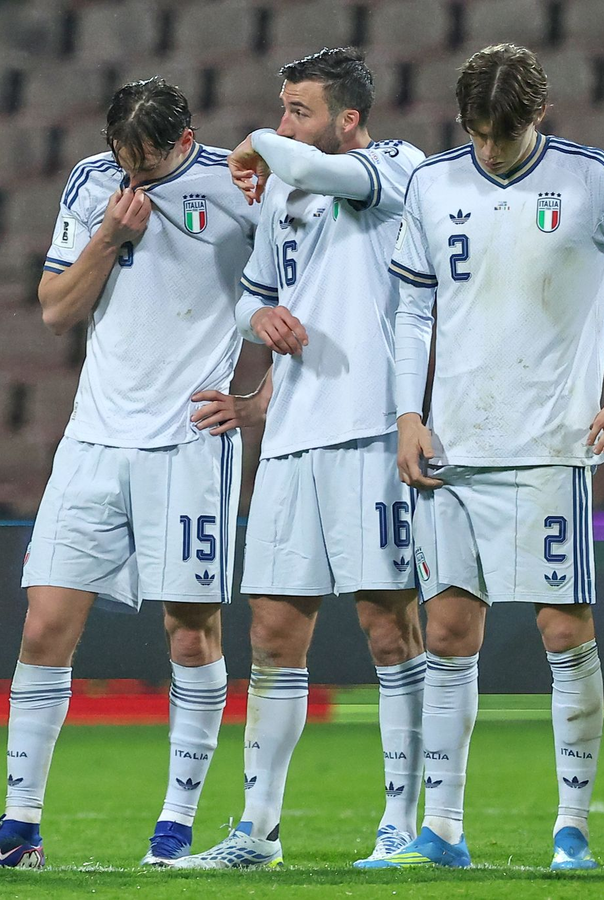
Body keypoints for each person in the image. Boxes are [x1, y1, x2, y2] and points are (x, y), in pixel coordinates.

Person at [366, 43, 604, 870]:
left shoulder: (590, 179)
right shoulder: (432, 184)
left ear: (539, 114)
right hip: (453, 448)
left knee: (563, 629)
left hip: (550, 448)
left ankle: (572, 829)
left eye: (505, 134)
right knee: (448, 630)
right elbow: (413, 307)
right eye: (477, 132)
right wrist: (407, 413)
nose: (489, 148)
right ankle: (442, 831)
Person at [0, 76, 257, 869]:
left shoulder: (238, 188)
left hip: (188, 442)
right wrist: (108, 238)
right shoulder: (93, 184)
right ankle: (20, 828)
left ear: (185, 142)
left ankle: (176, 826)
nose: (134, 175)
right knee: (44, 625)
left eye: (148, 162)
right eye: (125, 158)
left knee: (190, 631)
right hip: (93, 440)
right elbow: (56, 309)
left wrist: (257, 402)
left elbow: (306, 302)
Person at [171, 47, 427, 870]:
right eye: (280, 108)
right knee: (274, 632)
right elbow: (254, 293)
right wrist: (261, 323)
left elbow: (305, 165)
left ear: (349, 119)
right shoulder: (282, 188)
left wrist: (256, 141)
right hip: (288, 439)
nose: (283, 123)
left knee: (388, 625)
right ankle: (257, 830)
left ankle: (402, 822)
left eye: (299, 110)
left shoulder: (397, 168)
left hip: (372, 431)